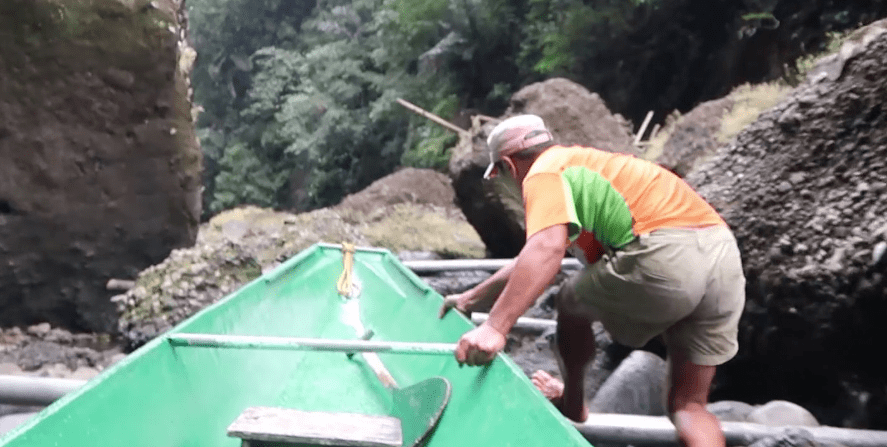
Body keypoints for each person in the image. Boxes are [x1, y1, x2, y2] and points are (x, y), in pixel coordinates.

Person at [438, 114, 745, 447]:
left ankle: (573, 402)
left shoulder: (543, 173)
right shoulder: (587, 168)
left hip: (666, 253)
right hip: (722, 255)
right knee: (688, 406)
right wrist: (472, 297)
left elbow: (545, 248)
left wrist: (495, 327)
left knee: (570, 301)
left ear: (509, 166)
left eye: (498, 174)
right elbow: (529, 259)